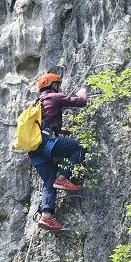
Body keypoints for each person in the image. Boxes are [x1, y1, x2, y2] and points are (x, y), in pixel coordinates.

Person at [29, 73, 88, 232]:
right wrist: (83, 92)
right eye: (58, 84)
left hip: (34, 151)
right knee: (79, 148)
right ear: (52, 85)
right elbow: (81, 102)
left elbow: (44, 124)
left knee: (49, 181)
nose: (60, 88)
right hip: (46, 143)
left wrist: (61, 131)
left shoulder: (36, 103)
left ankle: (46, 216)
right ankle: (63, 178)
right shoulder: (53, 97)